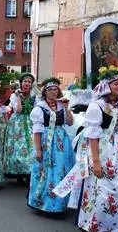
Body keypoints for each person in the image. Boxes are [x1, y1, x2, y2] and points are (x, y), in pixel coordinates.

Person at [61, 66, 118, 231]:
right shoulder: (97, 106)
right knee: (104, 187)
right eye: (115, 83)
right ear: (106, 86)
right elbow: (93, 136)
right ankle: (97, 223)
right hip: (104, 150)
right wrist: (95, 162)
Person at [27, 77, 74, 213]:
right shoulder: (40, 108)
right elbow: (37, 131)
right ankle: (44, 202)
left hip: (61, 142)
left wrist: (66, 108)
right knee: (45, 170)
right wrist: (39, 151)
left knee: (61, 171)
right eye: (50, 90)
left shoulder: (61, 106)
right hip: (46, 141)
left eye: (55, 89)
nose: (53, 92)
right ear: (45, 92)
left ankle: (59, 203)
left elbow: (70, 122)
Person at [3, 73, 37, 184]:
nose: (27, 84)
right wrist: (18, 96)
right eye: (25, 81)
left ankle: (28, 172)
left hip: (30, 122)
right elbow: (18, 110)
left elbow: (36, 111)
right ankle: (18, 172)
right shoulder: (14, 96)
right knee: (17, 147)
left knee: (31, 147)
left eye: (29, 82)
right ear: (21, 83)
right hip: (17, 123)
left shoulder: (35, 96)